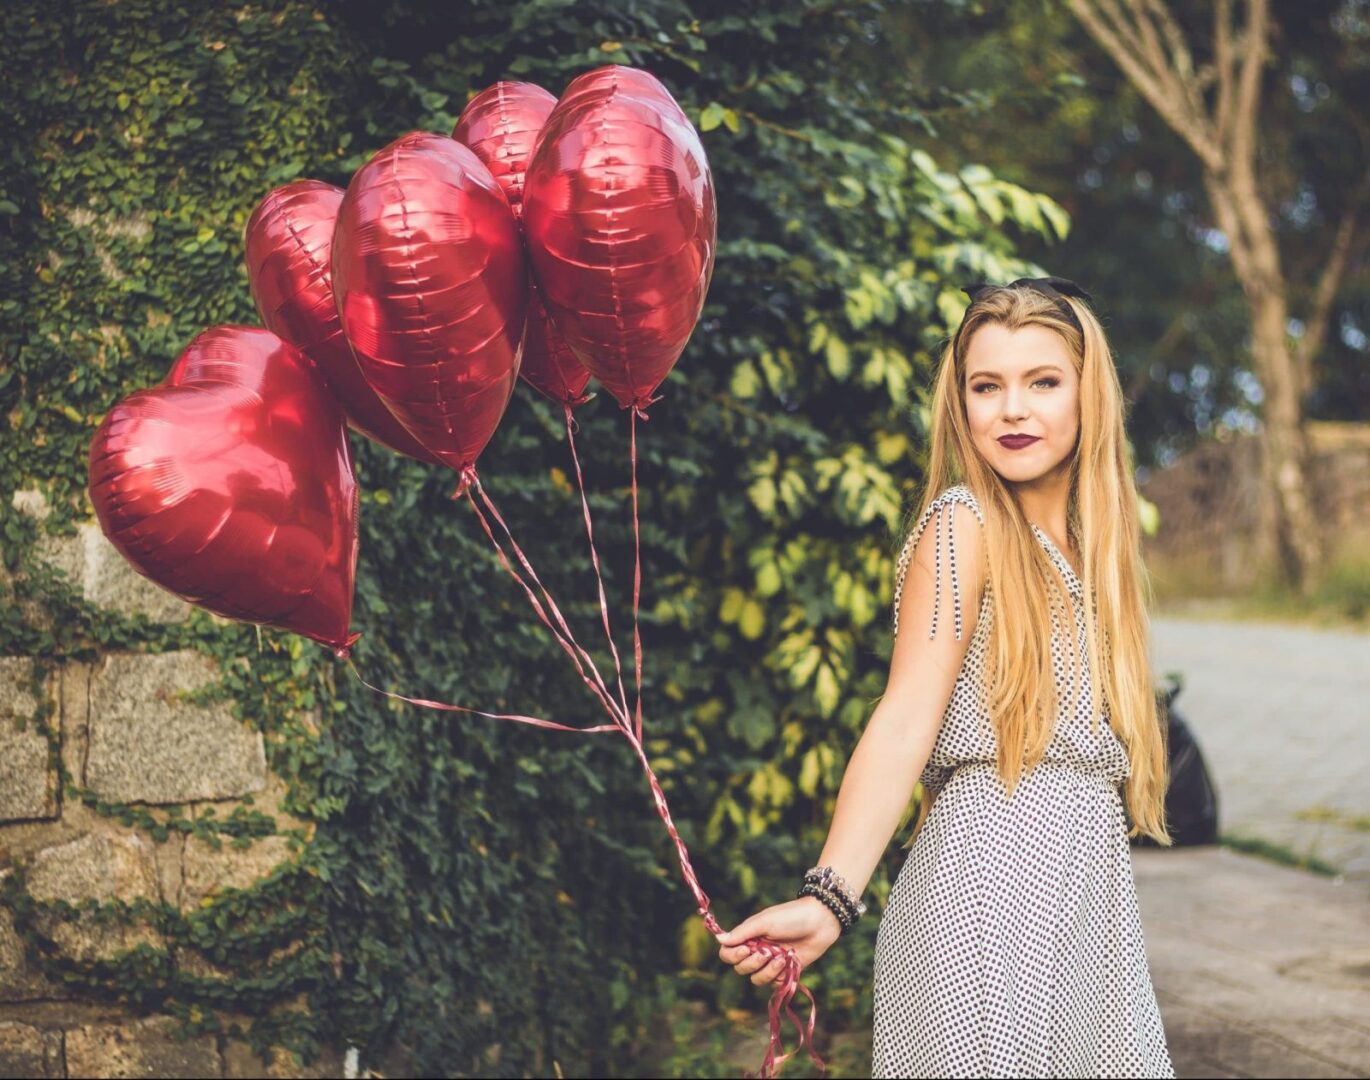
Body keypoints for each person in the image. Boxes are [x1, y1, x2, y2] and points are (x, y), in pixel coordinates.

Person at [716, 277, 1176, 1078]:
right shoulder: (964, 526)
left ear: (1087, 393)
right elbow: (905, 716)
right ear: (960, 404)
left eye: (1042, 381)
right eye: (986, 386)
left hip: (1085, 900)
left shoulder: (1089, 550)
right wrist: (831, 895)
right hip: (988, 890)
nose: (1012, 409)